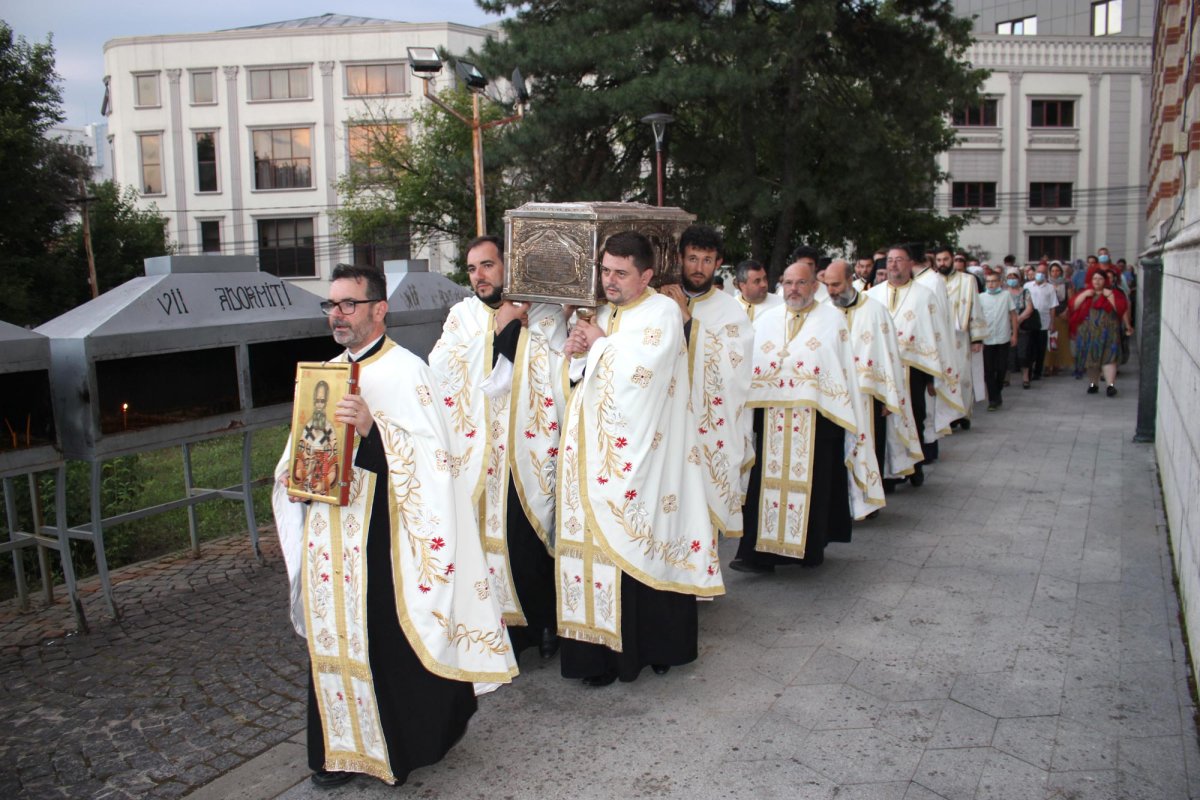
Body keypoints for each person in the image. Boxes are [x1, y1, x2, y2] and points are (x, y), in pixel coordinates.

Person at [273, 264, 517, 790]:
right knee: (334, 639)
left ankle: (400, 748)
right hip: (331, 537)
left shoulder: (408, 372)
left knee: (386, 640)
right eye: (331, 305)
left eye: (348, 304)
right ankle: (338, 752)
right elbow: (299, 456)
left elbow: (437, 462)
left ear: (378, 309)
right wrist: (296, 475)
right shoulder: (325, 374)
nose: (337, 315)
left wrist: (371, 431)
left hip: (387, 540)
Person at [556, 231, 724, 686]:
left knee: (639, 542)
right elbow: (589, 378)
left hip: (645, 462)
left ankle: (648, 649)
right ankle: (594, 657)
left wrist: (600, 343)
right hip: (592, 455)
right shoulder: (606, 311)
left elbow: (644, 373)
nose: (609, 280)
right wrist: (574, 356)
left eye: (620, 273)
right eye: (605, 270)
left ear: (646, 275)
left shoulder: (663, 312)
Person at [428, 235, 565, 661]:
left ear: (510, 266)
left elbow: (556, 369)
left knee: (528, 543)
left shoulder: (545, 314)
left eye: (488, 265)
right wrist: (498, 330)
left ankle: (545, 624)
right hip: (478, 454)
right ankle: (500, 631)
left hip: (527, 449)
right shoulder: (462, 316)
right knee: (484, 546)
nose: (479, 276)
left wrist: (516, 329)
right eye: (472, 269)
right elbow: (442, 369)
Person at [733, 256, 877, 573]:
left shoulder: (832, 321)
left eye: (801, 282)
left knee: (815, 482)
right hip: (771, 419)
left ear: (815, 285)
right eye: (788, 282)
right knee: (763, 484)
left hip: (817, 420)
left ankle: (808, 550)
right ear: (780, 285)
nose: (793, 289)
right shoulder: (766, 321)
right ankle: (758, 555)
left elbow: (839, 372)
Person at [660, 224, 754, 538]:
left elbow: (734, 367)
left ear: (718, 263)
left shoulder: (730, 310)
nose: (699, 268)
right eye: (693, 258)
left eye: (707, 260)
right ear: (679, 258)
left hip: (704, 425)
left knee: (699, 506)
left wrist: (687, 319)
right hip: (665, 419)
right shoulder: (658, 301)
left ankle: (701, 582)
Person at [823, 259, 923, 493]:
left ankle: (870, 495)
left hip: (869, 395)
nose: (831, 291)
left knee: (870, 444)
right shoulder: (823, 311)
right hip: (832, 395)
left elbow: (890, 356)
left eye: (836, 284)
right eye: (827, 285)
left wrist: (890, 397)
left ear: (850, 280)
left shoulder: (875, 311)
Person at [866, 244, 959, 487]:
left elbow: (936, 334)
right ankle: (888, 473)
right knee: (883, 422)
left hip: (913, 368)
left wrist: (932, 376)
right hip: (882, 370)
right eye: (890, 260)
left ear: (910, 264)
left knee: (914, 417)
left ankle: (914, 466)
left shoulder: (924, 295)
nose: (893, 264)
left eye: (899, 260)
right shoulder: (872, 295)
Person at [905, 243, 965, 460]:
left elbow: (938, 320)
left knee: (928, 404)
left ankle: (929, 448)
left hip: (928, 350)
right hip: (911, 351)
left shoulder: (933, 281)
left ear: (911, 261)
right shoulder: (916, 281)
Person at [933, 244, 985, 431]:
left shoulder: (967, 280)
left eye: (945, 259)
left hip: (960, 338)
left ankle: (962, 414)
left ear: (953, 259)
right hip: (938, 338)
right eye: (938, 260)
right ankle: (946, 417)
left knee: (962, 375)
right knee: (943, 377)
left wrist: (977, 337)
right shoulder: (931, 281)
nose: (942, 263)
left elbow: (975, 308)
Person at [1071, 266, 1132, 396]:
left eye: (1100, 279)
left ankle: (1110, 385)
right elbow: (1074, 306)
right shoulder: (1086, 293)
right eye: (1095, 279)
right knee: (1091, 359)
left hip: (1109, 332)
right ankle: (1093, 384)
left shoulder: (1114, 293)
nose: (1097, 281)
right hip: (1089, 332)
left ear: (1105, 280)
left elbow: (1121, 309)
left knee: (1109, 358)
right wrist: (1084, 295)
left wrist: (1109, 296)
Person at [977, 272, 1019, 411]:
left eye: (994, 281)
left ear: (1000, 282)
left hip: (1003, 337)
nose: (991, 284)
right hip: (987, 338)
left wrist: (1014, 334)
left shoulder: (1006, 295)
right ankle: (993, 400)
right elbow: (978, 318)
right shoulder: (981, 297)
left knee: (1001, 368)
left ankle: (997, 391)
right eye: (988, 281)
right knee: (989, 370)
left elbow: (1013, 315)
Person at [291, 380, 339, 497]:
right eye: (317, 401)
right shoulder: (307, 428)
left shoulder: (331, 431)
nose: (319, 405)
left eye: (322, 402)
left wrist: (323, 485)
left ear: (326, 403)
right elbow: (298, 465)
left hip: (325, 492)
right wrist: (308, 471)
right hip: (307, 491)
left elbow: (333, 468)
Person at [1005, 268, 1037, 389]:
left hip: (1022, 326)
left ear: (1019, 278)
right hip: (1007, 327)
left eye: (1014, 277)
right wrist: (1011, 320)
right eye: (1009, 278)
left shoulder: (1025, 292)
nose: (1012, 280)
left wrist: (1018, 319)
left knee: (1023, 353)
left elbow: (1029, 308)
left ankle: (1025, 378)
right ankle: (1006, 378)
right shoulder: (1004, 292)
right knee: (1008, 353)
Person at [1044, 261, 1073, 376]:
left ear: (1061, 272)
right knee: (1049, 341)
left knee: (1059, 341)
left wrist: (1066, 312)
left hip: (1062, 315)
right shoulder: (1046, 284)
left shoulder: (1066, 284)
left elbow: (1071, 300)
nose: (1055, 273)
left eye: (1057, 271)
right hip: (1049, 316)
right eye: (1053, 271)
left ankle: (1057, 364)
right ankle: (1048, 365)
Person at [732, 258, 783, 323]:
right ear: (742, 285)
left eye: (765, 279)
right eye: (757, 281)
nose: (763, 284)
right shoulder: (731, 307)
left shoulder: (781, 304)